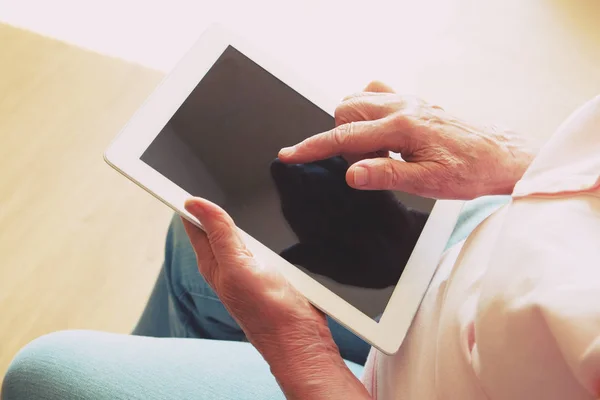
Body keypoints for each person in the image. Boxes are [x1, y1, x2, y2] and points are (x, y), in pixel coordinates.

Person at [2, 82, 599, 400]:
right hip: (510, 233)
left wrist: (298, 349)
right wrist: (532, 164)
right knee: (203, 245)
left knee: (49, 374)